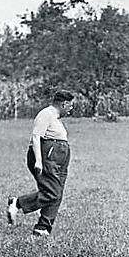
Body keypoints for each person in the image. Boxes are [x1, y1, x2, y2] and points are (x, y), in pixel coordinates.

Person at [7, 90, 75, 237]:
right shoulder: (46, 114)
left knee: (57, 193)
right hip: (47, 158)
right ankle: (18, 203)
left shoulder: (56, 118)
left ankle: (42, 228)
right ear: (64, 103)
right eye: (70, 106)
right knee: (52, 193)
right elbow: (36, 137)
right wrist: (39, 161)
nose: (71, 109)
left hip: (58, 160)